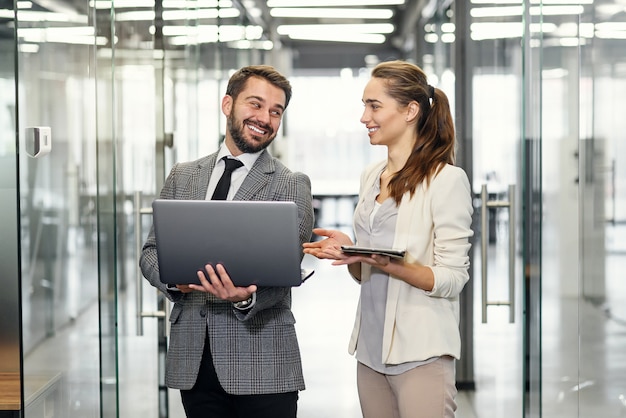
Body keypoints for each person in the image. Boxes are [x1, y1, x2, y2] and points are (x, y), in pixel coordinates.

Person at [140, 65, 314, 418]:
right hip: (194, 362)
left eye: (276, 111)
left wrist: (247, 296)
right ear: (227, 105)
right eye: (256, 104)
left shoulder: (290, 184)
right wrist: (177, 280)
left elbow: (284, 272)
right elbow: (150, 253)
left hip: (263, 364)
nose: (265, 118)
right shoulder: (184, 175)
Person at [303, 60, 473, 418]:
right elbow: (366, 271)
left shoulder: (446, 180)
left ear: (410, 110)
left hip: (420, 354)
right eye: (365, 105)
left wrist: (391, 264)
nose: (364, 117)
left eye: (374, 106)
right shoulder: (371, 176)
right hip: (370, 351)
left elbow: (452, 278)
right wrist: (351, 251)